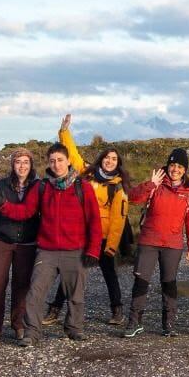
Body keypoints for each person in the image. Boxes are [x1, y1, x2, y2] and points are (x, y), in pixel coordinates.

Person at [0, 143, 102, 345]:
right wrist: (2, 205)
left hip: (75, 250)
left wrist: (93, 249)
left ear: (68, 161)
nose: (56, 164)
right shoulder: (42, 187)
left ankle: (74, 328)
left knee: (75, 295)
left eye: (60, 160)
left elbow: (94, 220)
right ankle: (32, 333)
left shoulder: (82, 187)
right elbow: (25, 212)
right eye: (52, 161)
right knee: (34, 293)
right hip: (47, 251)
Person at [51, 115, 129, 327]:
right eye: (107, 157)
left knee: (109, 273)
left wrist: (111, 247)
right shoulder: (88, 174)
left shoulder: (117, 187)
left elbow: (118, 220)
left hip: (102, 238)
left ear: (118, 164)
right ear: (101, 158)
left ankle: (117, 310)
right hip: (82, 234)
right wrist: (64, 132)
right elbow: (73, 157)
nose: (109, 161)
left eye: (114, 159)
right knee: (73, 271)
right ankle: (55, 309)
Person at [124, 148, 189, 338]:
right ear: (167, 166)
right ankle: (134, 322)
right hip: (149, 241)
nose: (175, 169)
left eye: (180, 166)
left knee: (169, 283)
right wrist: (150, 184)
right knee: (141, 281)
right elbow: (132, 197)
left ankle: (169, 324)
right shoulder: (156, 185)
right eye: (172, 165)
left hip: (172, 245)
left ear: (185, 170)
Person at [0, 147, 40, 342]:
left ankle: (19, 325)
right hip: (2, 240)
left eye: (25, 162)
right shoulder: (1, 185)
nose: (21, 166)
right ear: (12, 165)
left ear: (31, 165)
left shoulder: (38, 186)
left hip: (27, 242)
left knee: (22, 285)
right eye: (18, 162)